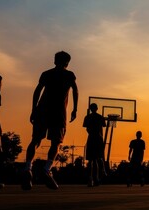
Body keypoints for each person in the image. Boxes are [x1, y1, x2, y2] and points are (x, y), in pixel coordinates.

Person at [21, 51, 79, 190]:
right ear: (67, 63)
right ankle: (47, 168)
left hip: (43, 109)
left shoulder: (46, 73)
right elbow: (76, 91)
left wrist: (34, 109)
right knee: (56, 142)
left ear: (54, 61)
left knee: (35, 140)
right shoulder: (69, 75)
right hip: (58, 112)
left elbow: (37, 91)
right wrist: (75, 109)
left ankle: (28, 167)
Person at [83, 103, 107, 187]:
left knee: (91, 160)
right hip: (98, 138)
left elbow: (86, 128)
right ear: (97, 108)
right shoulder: (100, 117)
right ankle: (98, 176)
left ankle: (91, 179)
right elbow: (104, 125)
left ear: (90, 109)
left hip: (91, 138)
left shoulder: (87, 117)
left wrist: (91, 132)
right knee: (97, 158)